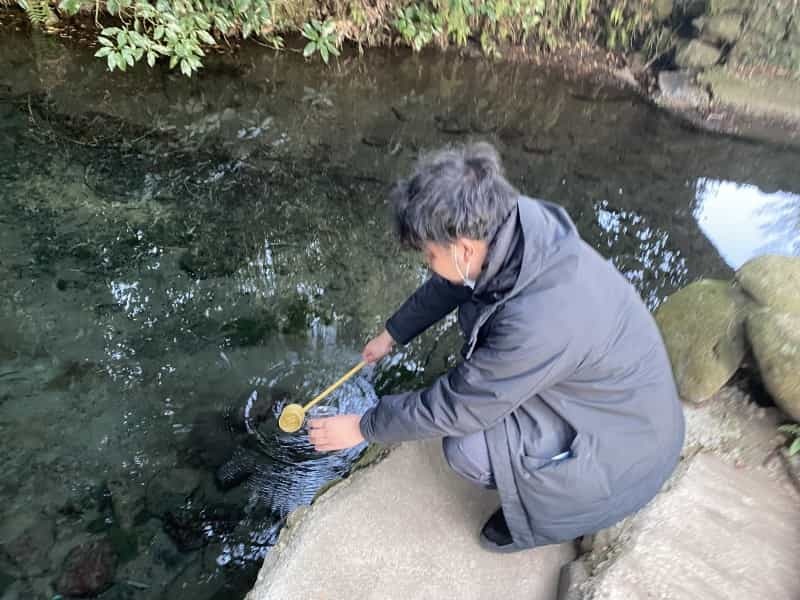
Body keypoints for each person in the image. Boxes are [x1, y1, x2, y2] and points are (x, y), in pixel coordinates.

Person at [307, 142, 685, 553]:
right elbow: (454, 280)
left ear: (464, 247)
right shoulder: (515, 224)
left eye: (429, 255)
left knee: (463, 447)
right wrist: (394, 333)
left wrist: (363, 427)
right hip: (610, 402)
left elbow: (456, 407)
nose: (427, 263)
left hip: (623, 457)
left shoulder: (537, 321)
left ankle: (545, 513)